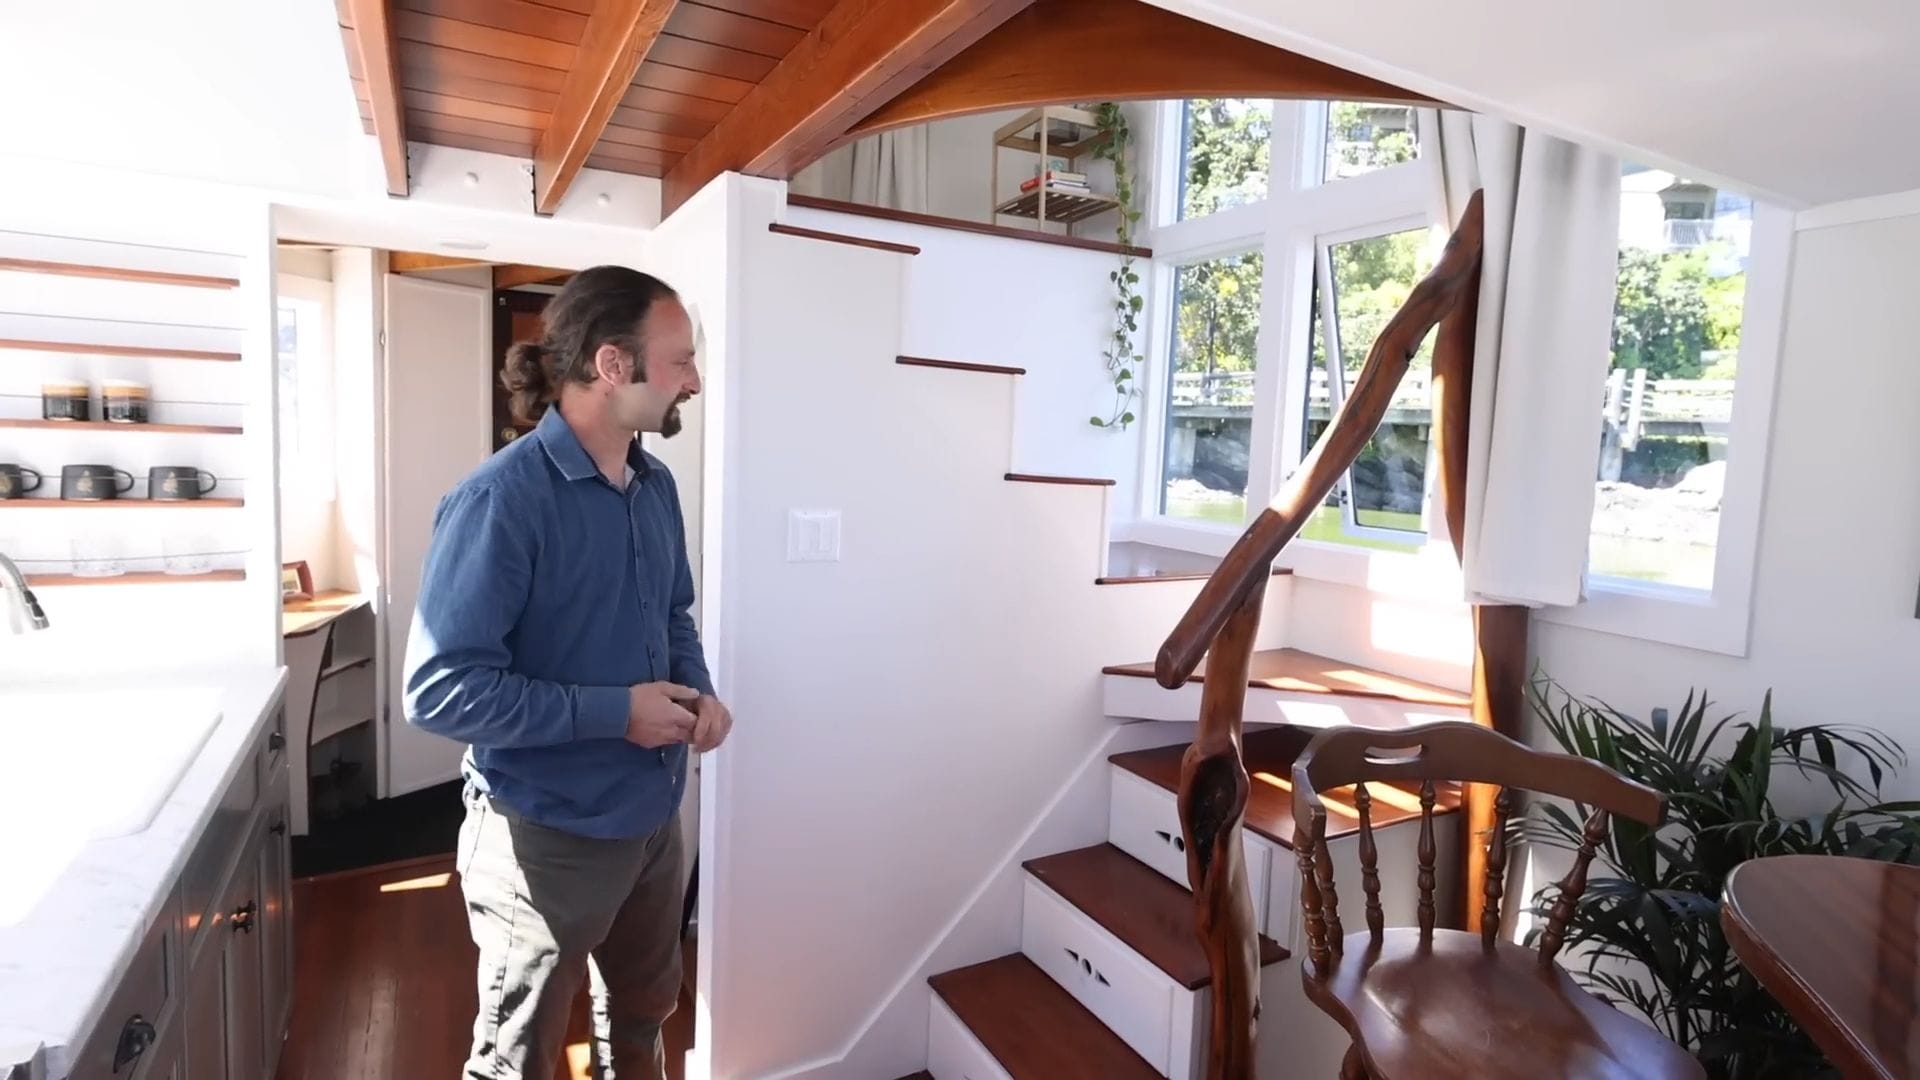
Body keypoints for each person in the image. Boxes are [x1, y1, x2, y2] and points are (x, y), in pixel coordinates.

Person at [402, 265, 729, 1080]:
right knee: (518, 1059)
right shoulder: (500, 500)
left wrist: (698, 691)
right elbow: (440, 691)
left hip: (653, 820)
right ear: (613, 364)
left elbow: (672, 614)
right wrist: (617, 713)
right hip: (543, 838)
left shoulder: (654, 485)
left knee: (643, 1019)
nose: (694, 381)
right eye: (681, 360)